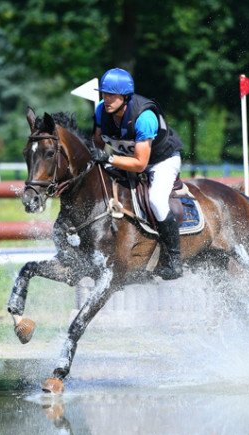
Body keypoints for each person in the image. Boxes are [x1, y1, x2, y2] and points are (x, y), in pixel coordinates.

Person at [93, 67, 184, 280]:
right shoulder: (100, 111)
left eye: (111, 95)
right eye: (104, 94)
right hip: (126, 160)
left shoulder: (144, 117)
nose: (106, 99)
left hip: (161, 161)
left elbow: (140, 164)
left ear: (125, 97)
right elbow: (97, 142)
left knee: (156, 200)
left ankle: (174, 260)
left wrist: (109, 159)